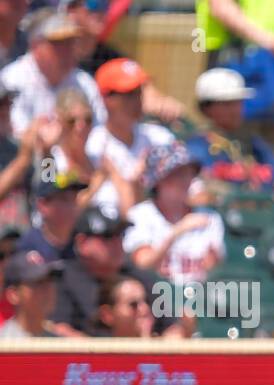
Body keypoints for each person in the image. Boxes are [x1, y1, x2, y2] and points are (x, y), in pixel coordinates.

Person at [124, 142, 225, 287]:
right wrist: (178, 231)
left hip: (199, 299)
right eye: (176, 174)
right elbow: (143, 264)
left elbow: (212, 271)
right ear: (158, 181)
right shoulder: (140, 216)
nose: (184, 180)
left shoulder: (210, 218)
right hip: (156, 298)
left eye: (188, 173)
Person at [52, 204, 159, 335]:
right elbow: (58, 329)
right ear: (82, 243)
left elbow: (175, 326)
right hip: (83, 355)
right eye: (108, 236)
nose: (117, 243)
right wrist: (102, 352)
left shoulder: (139, 277)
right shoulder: (62, 279)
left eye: (120, 235)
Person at [86, 58, 174, 216]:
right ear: (106, 99)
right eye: (128, 94)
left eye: (139, 92)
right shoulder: (94, 144)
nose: (136, 101)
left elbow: (195, 191)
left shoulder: (159, 137)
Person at [0, 8, 104, 138]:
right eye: (58, 43)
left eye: (71, 42)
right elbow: (14, 137)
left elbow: (100, 133)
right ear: (35, 45)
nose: (67, 49)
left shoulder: (84, 83)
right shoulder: (13, 79)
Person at [186, 68, 274, 192]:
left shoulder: (251, 141)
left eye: (238, 102)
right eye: (227, 104)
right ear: (206, 108)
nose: (235, 110)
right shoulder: (197, 146)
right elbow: (203, 186)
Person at [0, 250, 62, 338]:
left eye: (50, 280)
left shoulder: (58, 343)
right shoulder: (4, 344)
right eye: (38, 282)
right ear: (14, 295)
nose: (48, 289)